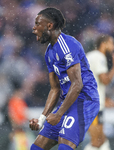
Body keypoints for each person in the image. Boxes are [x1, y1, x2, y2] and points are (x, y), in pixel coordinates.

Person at [29, 7, 100, 150]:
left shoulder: (67, 45)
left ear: (50, 25)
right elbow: (55, 89)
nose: (34, 28)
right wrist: (42, 119)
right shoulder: (49, 52)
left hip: (84, 100)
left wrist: (59, 114)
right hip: (67, 102)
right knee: (36, 148)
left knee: (65, 146)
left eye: (37, 23)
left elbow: (77, 85)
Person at [84, 35, 114, 150]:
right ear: (104, 44)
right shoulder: (99, 57)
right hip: (92, 105)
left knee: (101, 140)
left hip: (91, 103)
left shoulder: (91, 56)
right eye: (111, 43)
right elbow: (105, 80)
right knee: (97, 141)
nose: (112, 47)